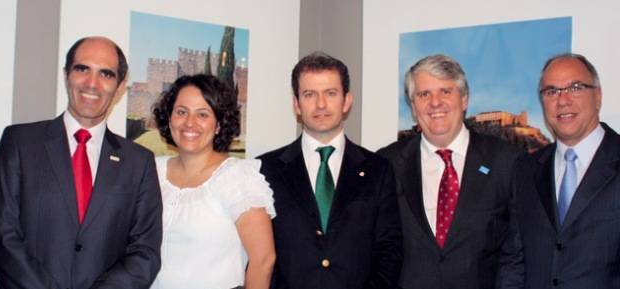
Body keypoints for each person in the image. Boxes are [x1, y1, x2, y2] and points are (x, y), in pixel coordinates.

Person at [0, 36, 162, 289]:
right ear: (66, 75)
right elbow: (1, 233)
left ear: (120, 85)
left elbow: (144, 252)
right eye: (82, 69)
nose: (92, 83)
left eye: (106, 74)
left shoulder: (139, 162)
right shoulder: (20, 142)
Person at [257, 52, 402, 289]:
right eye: (309, 94)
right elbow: (259, 255)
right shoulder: (265, 170)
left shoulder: (379, 169)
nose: (320, 104)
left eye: (330, 93)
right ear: (296, 104)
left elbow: (390, 250)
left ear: (346, 101)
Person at [377, 54, 522, 289]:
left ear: (464, 100)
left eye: (445, 91)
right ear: (413, 107)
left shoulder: (506, 161)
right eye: (424, 94)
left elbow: (518, 252)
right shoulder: (386, 164)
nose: (435, 103)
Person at [498, 53, 620, 289]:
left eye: (575, 87)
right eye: (551, 91)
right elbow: (513, 260)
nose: (562, 100)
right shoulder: (525, 170)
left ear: (598, 95)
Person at [149, 74, 275, 289]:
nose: (190, 123)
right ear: (169, 118)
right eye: (181, 112)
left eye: (203, 114)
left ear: (218, 125)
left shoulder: (237, 178)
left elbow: (263, 260)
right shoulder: (152, 171)